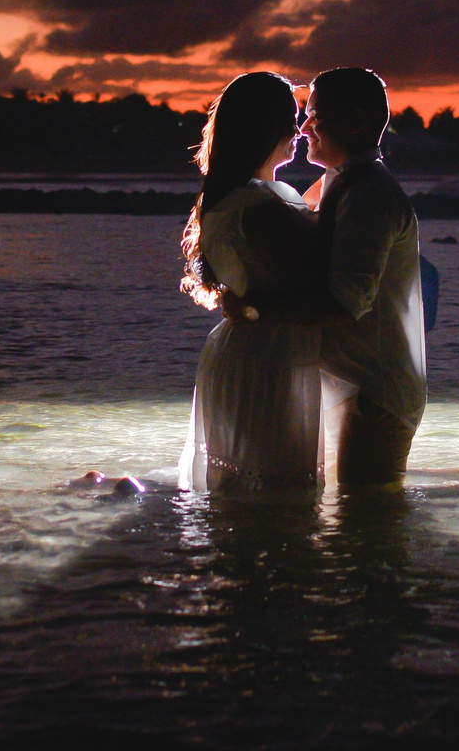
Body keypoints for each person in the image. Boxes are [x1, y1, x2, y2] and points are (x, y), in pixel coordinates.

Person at [233, 67, 426, 490]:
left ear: (356, 120)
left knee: (367, 526)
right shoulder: (339, 185)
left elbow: (345, 302)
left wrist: (252, 309)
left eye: (314, 115)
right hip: (351, 382)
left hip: (374, 391)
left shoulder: (369, 196)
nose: (302, 127)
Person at [174, 72, 324, 496]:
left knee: (246, 499)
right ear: (261, 129)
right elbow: (315, 277)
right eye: (287, 120)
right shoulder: (258, 205)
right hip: (271, 356)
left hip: (247, 349)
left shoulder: (232, 197)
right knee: (279, 497)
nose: (297, 131)